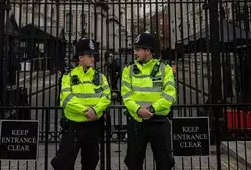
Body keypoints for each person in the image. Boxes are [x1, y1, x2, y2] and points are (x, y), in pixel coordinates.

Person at [51, 38, 111, 170]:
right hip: (74, 127)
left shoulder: (100, 77)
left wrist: (95, 111)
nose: (93, 59)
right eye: (90, 56)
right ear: (80, 57)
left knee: (91, 162)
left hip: (93, 127)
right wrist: (86, 111)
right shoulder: (68, 76)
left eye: (93, 56)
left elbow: (106, 97)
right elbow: (66, 99)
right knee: (64, 163)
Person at [121, 32, 177, 170]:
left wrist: (151, 109)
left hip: (159, 121)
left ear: (148, 51)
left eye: (138, 49)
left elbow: (170, 95)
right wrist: (138, 110)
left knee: (164, 162)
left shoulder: (165, 69)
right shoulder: (128, 70)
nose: (135, 52)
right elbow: (126, 95)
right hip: (136, 122)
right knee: (133, 161)